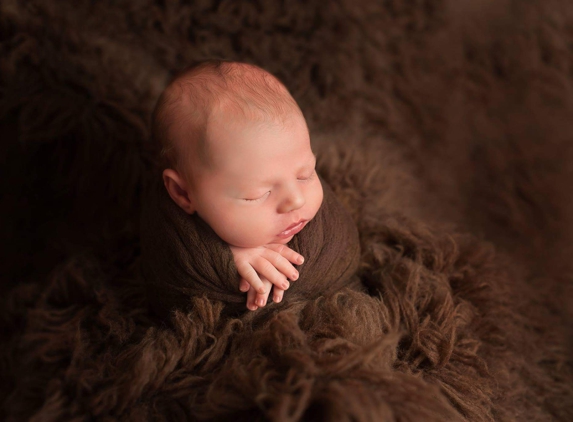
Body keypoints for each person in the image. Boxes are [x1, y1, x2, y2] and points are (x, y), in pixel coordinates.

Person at [151, 60, 324, 311]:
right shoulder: (168, 230)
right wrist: (225, 258)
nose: (296, 200)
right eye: (257, 195)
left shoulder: (309, 208)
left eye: (306, 174)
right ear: (182, 193)